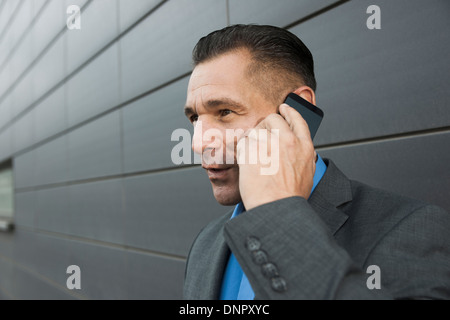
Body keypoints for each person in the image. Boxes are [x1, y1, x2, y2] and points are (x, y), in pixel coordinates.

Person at [182, 24, 450, 299]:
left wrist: (276, 218)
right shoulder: (207, 243)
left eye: (225, 111)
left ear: (296, 110)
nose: (198, 143)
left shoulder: (411, 230)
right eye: (194, 119)